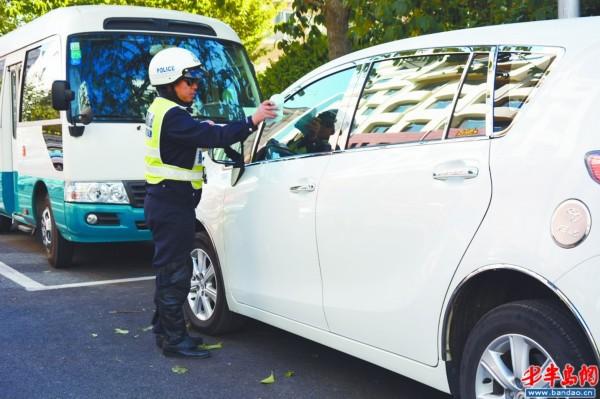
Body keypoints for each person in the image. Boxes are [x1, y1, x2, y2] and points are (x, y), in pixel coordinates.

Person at [143, 47, 276, 359]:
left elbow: (201, 130)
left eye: (195, 80)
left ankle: (165, 332)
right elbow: (212, 137)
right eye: (188, 80)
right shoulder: (173, 116)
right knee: (176, 272)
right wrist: (253, 119)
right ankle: (175, 340)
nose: (195, 85)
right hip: (171, 203)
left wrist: (214, 127)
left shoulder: (164, 109)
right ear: (169, 82)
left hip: (166, 201)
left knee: (169, 270)